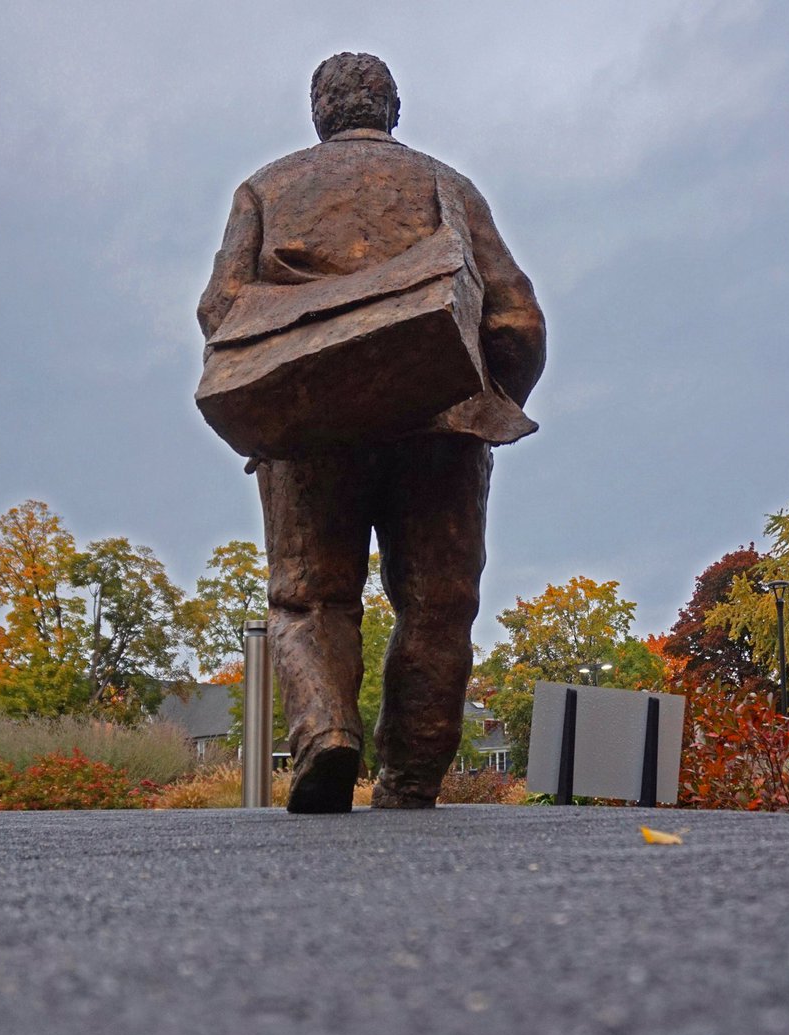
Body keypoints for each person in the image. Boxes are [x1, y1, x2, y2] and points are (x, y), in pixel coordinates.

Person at [197, 52, 546, 812]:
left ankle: (326, 736)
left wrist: (271, 399)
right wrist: (485, 404)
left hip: (308, 423)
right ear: (392, 109)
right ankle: (411, 777)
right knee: (437, 602)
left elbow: (220, 310)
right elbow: (516, 319)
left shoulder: (266, 188)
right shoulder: (447, 186)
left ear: (320, 112)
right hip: (442, 421)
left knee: (309, 597)